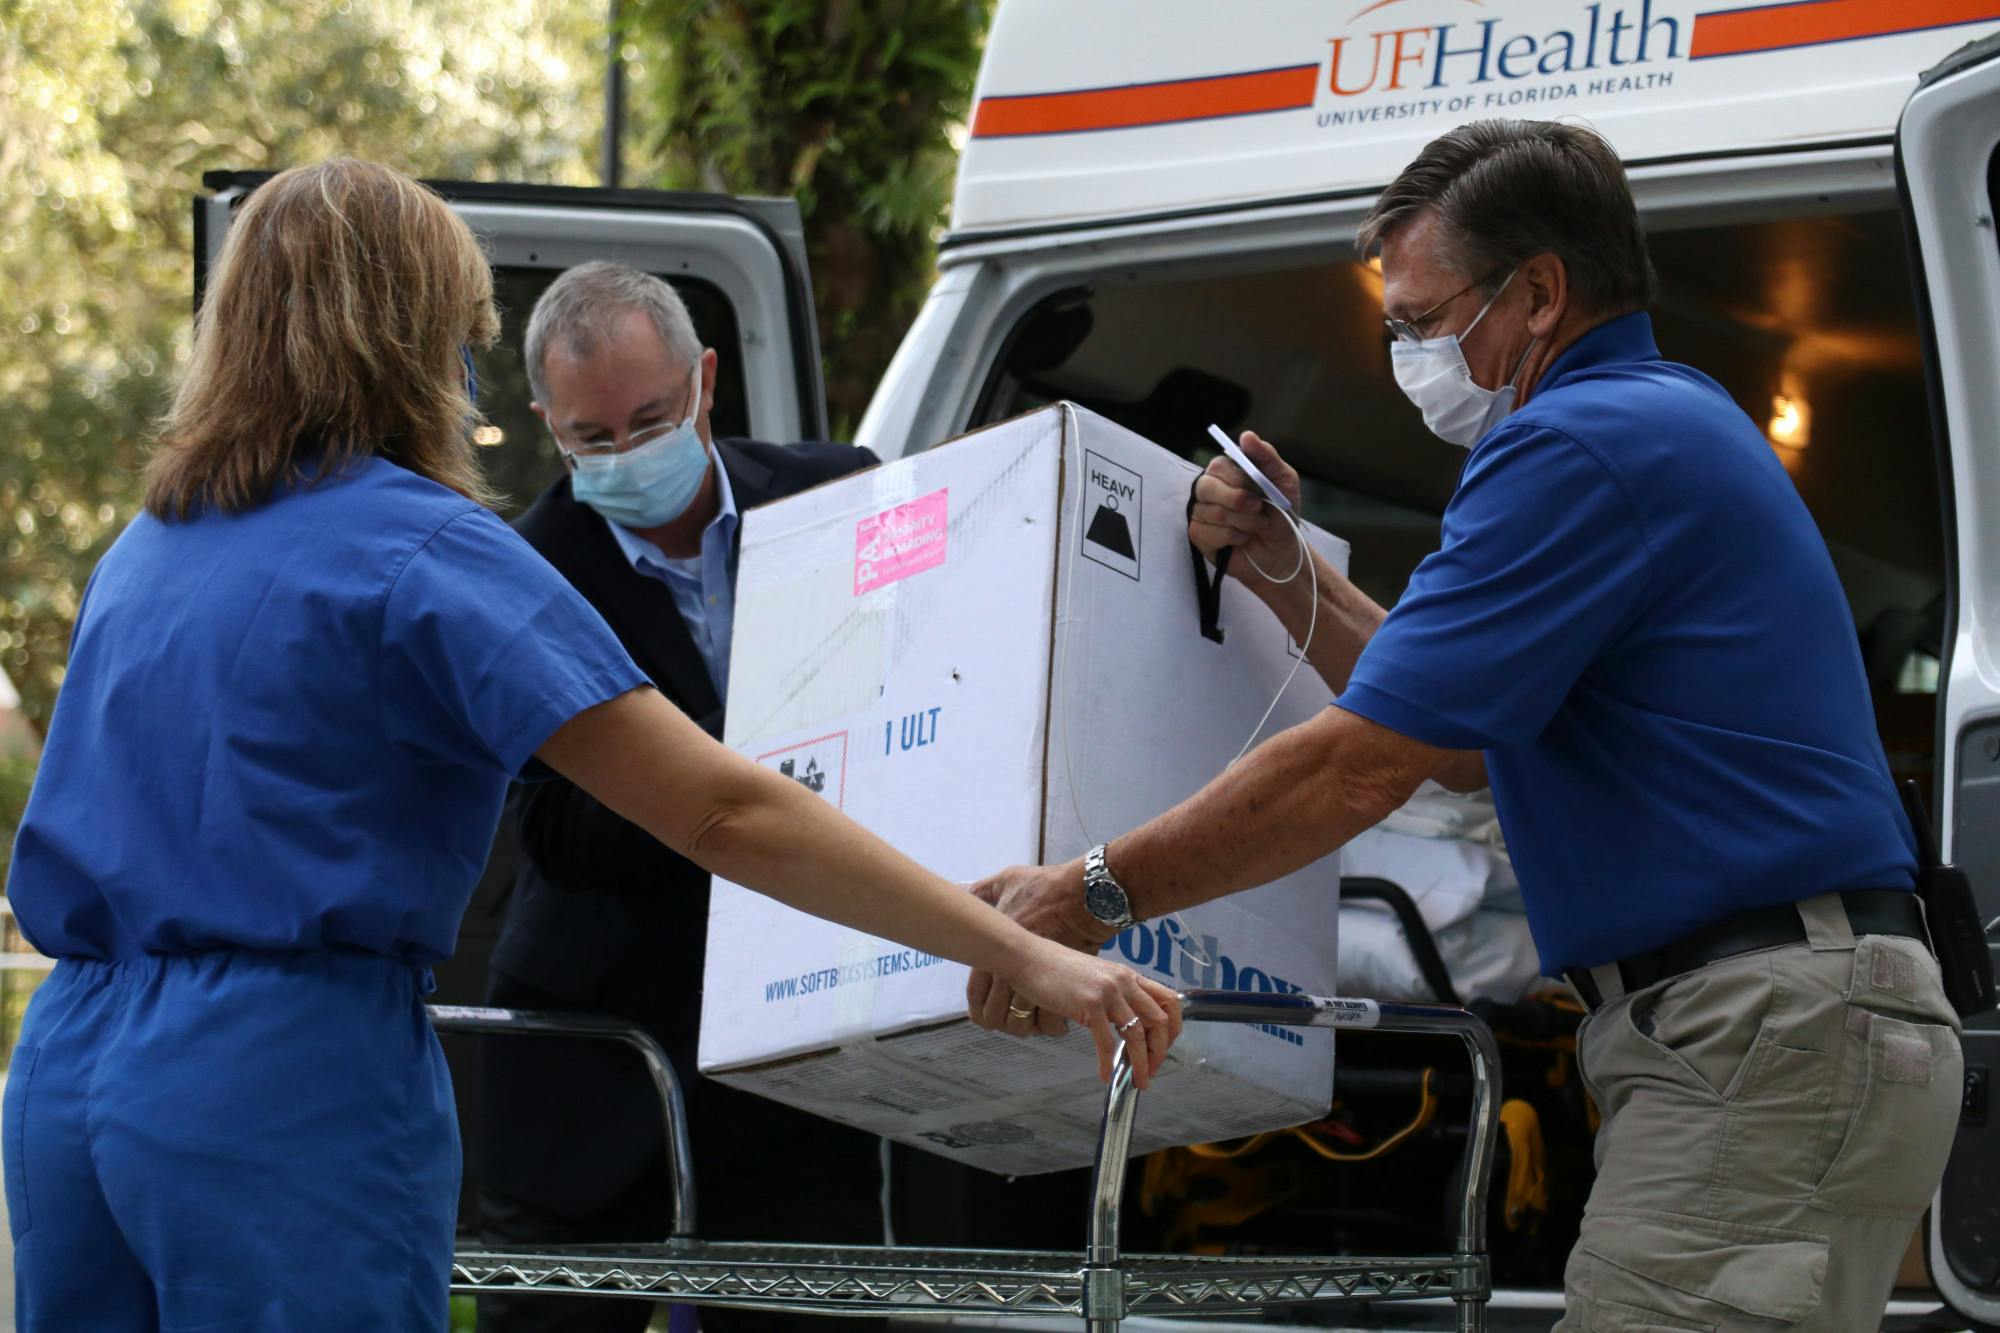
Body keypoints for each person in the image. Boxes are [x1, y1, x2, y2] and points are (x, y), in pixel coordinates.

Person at [0, 157, 1180, 1333]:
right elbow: (725, 811)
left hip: (68, 1074)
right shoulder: (423, 553)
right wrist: (1027, 953)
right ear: (419, 340)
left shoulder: (148, 549)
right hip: (273, 1077)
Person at [965, 120, 1961, 1330]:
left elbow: (1358, 768)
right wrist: (1292, 571)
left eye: (1422, 322)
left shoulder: (1569, 445)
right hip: (1798, 1025)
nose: (1404, 353)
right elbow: (1453, 740)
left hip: (1755, 1031)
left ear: (1537, 293)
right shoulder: (1658, 420)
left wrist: (1083, 899)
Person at [474, 261, 886, 1333]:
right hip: (595, 1056)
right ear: (547, 425)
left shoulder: (840, 496)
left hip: (801, 1054)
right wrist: (732, 765)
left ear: (704, 379)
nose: (623, 454)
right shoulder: (522, 571)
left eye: (649, 419)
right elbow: (556, 830)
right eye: (591, 437)